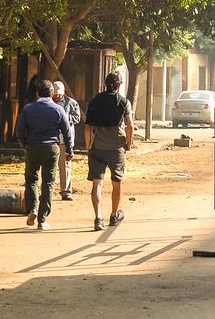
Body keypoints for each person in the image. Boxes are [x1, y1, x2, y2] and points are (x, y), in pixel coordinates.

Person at [17, 79, 72, 230]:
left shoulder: (28, 109)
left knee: (31, 180)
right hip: (52, 148)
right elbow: (67, 132)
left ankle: (32, 209)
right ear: (52, 93)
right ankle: (42, 219)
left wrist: (25, 145)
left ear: (37, 93)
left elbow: (19, 131)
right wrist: (70, 150)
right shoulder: (58, 109)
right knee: (48, 183)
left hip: (33, 147)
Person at [83, 72, 134, 231]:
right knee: (116, 182)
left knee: (97, 184)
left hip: (97, 147)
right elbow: (130, 125)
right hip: (116, 148)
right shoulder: (124, 102)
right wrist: (128, 143)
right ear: (119, 85)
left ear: (105, 84)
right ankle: (113, 215)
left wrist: (88, 145)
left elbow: (88, 126)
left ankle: (98, 218)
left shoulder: (95, 101)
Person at [50, 81, 82, 201]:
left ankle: (66, 191)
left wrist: (64, 119)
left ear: (63, 93)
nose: (57, 97)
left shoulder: (72, 103)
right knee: (50, 166)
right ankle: (47, 190)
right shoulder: (49, 103)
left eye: (59, 94)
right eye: (55, 94)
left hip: (65, 139)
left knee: (66, 166)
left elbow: (77, 117)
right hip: (52, 139)